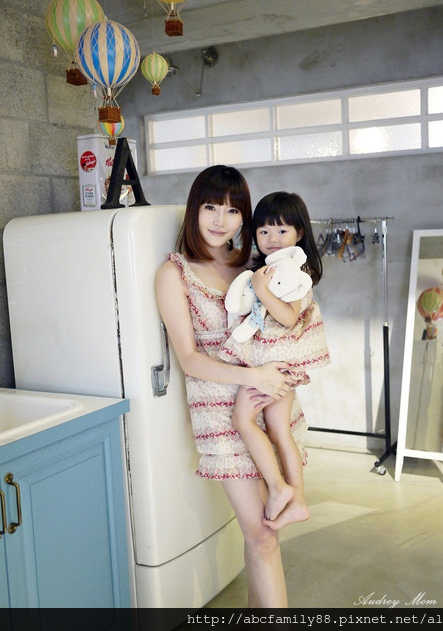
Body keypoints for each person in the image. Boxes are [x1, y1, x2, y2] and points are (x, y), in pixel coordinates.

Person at [155, 166, 307, 608]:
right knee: (261, 534)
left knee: (267, 533)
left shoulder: (254, 264)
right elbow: (189, 358)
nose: (221, 220)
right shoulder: (174, 274)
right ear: (194, 210)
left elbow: (290, 321)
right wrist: (254, 377)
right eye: (211, 207)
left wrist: (281, 373)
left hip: (270, 404)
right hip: (219, 414)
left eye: (233, 210)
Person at [221, 192, 330, 530]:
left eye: (282, 230)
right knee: (280, 431)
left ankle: (280, 488)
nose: (272, 238)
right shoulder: (274, 268)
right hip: (278, 361)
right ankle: (297, 502)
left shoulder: (294, 272)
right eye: (264, 231)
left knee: (242, 419)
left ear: (300, 233)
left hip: (276, 365)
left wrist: (260, 287)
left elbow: (287, 317)